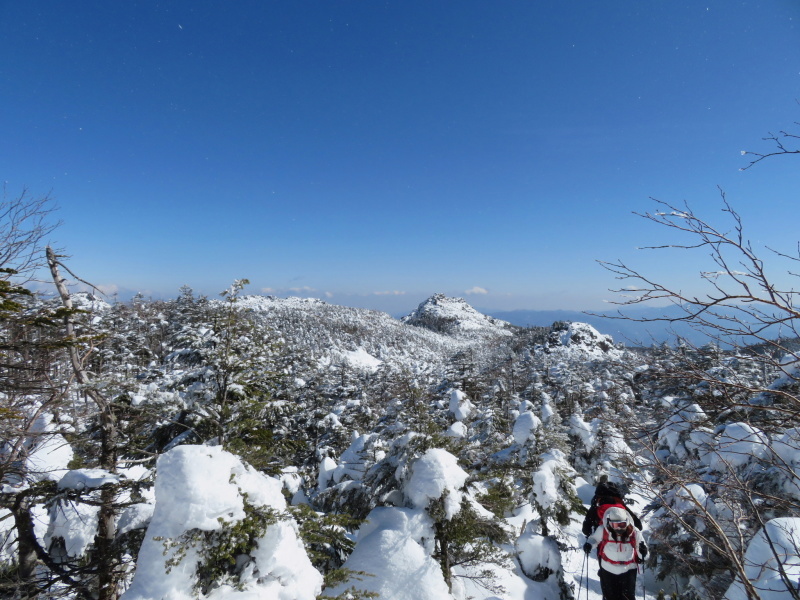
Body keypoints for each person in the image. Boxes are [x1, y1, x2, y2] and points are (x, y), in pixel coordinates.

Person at [583, 506, 647, 600]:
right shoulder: (603, 529)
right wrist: (589, 544)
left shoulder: (635, 532)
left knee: (628, 598)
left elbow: (644, 555)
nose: (619, 528)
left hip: (628, 570)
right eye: (616, 525)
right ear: (610, 523)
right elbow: (594, 539)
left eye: (622, 524)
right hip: (608, 569)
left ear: (627, 521)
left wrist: (643, 551)